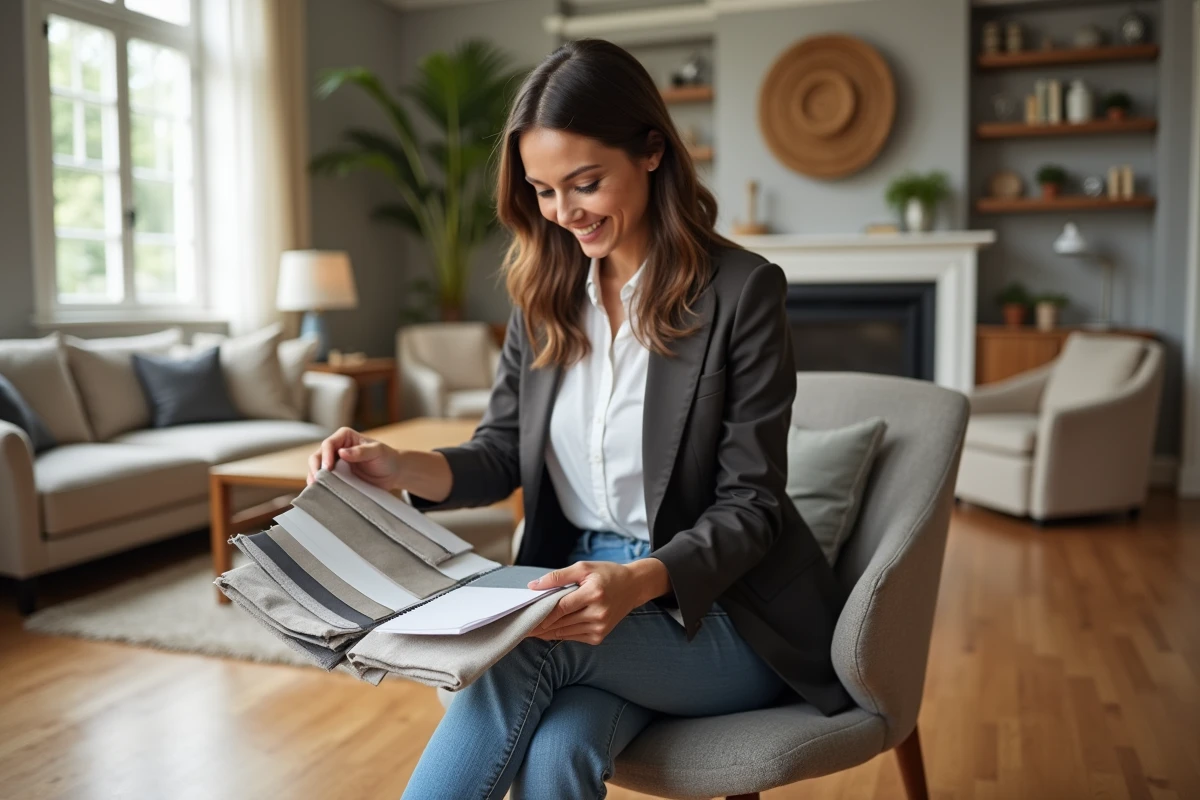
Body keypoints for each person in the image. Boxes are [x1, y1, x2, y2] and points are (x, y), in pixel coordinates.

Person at [307, 37, 853, 800]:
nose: (564, 213)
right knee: (560, 748)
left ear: (652, 151)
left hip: (722, 611)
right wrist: (399, 469)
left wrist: (637, 582)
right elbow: (502, 453)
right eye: (542, 190)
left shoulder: (742, 291)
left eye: (585, 182)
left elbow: (752, 508)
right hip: (575, 583)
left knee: (518, 648)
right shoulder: (544, 296)